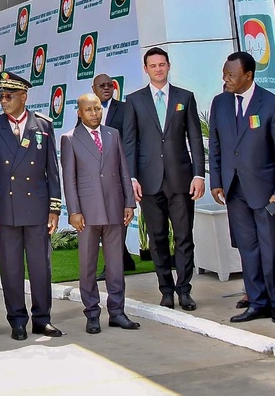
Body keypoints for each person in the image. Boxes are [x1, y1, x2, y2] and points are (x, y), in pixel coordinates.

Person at [209, 51, 275, 324]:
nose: (225, 79)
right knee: (248, 250)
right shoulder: (220, 103)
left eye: (231, 75)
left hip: (268, 194)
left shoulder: (272, 105)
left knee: (272, 250)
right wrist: (216, 182)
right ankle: (257, 302)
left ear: (248, 76)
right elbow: (216, 145)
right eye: (224, 74)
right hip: (235, 192)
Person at [122, 49, 205, 311]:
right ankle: (166, 290)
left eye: (162, 64)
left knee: (184, 236)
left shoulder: (185, 97)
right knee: (157, 238)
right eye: (153, 65)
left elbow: (195, 138)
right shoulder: (134, 100)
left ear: (169, 66)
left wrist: (199, 174)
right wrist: (131, 177)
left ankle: (184, 290)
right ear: (145, 69)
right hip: (148, 181)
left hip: (181, 179)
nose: (158, 69)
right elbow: (130, 142)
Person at [0, 72, 63, 341]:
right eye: (1, 96)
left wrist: (54, 208)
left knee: (41, 267)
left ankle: (42, 319)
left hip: (37, 208)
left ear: (23, 97)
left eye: (9, 96)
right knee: (11, 268)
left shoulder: (43, 125)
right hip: (6, 209)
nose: (3, 100)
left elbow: (52, 170)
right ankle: (17, 320)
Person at [60, 93, 139, 335]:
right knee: (88, 265)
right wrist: (74, 211)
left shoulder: (113, 134)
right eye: (89, 110)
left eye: (97, 109)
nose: (94, 114)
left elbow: (123, 170)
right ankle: (92, 313)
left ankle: (117, 312)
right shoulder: (70, 139)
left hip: (115, 207)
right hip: (87, 211)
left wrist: (129, 202)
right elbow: (69, 179)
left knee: (115, 264)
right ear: (79, 113)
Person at [92, 74, 136, 277]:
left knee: (117, 219)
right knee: (103, 217)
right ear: (94, 88)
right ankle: (125, 259)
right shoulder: (87, 110)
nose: (106, 88)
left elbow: (130, 141)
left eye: (110, 85)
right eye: (102, 85)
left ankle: (112, 266)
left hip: (118, 174)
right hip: (95, 176)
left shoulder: (125, 109)